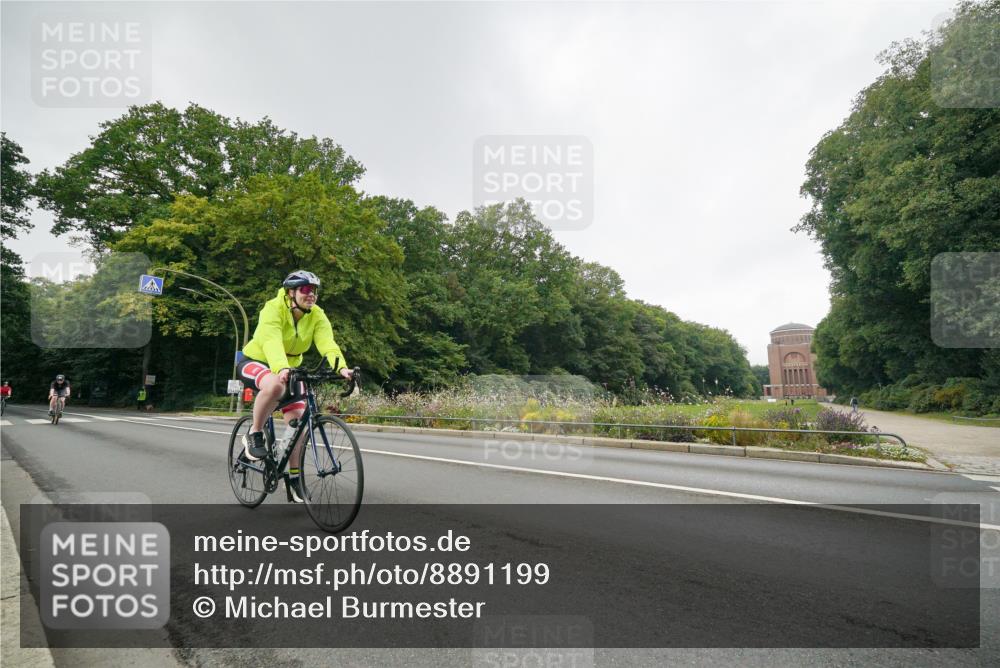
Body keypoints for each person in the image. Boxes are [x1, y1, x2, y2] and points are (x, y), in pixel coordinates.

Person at [236, 270, 352, 503]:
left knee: (299, 421)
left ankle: (295, 478)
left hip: (289, 368)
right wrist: (280, 368)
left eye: (314, 291)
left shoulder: (317, 315)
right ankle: (255, 433)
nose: (311, 295)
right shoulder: (273, 308)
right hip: (257, 360)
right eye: (306, 290)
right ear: (291, 292)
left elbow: (327, 343)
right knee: (275, 387)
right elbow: (271, 340)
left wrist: (342, 369)